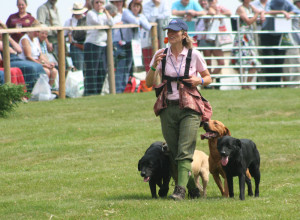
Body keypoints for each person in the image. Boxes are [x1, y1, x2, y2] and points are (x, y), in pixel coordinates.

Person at [145, 18, 212, 200]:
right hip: (167, 108)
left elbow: (208, 77)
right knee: (174, 152)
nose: (170, 34)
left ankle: (180, 190)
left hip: (190, 108)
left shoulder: (194, 54)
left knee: (184, 151)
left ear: (184, 34)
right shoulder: (160, 54)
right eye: (168, 31)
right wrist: (153, 66)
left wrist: (200, 80)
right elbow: (149, 83)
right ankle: (193, 189)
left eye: (175, 31)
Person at [261, 0, 300, 86]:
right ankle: (269, 84)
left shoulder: (286, 2)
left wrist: (289, 13)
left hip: (280, 35)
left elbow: (297, 10)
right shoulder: (270, 2)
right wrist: (282, 12)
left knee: (279, 60)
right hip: (268, 34)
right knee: (269, 60)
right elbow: (267, 12)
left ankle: (277, 84)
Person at [0, 21, 45, 92]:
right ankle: (29, 91)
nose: (1, 33)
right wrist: (12, 50)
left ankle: (40, 90)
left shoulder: (7, 39)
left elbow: (19, 50)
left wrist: (8, 37)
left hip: (17, 59)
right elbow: (10, 51)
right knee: (31, 68)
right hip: (9, 61)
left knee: (38, 66)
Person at [230, 0, 264, 89]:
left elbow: (260, 11)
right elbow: (248, 21)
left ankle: (247, 84)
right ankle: (243, 84)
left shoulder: (250, 7)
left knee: (254, 62)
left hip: (249, 37)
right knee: (241, 62)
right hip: (242, 37)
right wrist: (256, 14)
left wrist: (261, 13)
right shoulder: (241, 8)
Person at [84, 0, 113, 95]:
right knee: (92, 70)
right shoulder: (90, 13)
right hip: (92, 44)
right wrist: (102, 14)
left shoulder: (104, 14)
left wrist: (107, 13)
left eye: (101, 2)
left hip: (103, 44)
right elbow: (100, 24)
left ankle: (98, 91)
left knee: (103, 69)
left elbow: (111, 23)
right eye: (97, 2)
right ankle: (91, 92)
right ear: (93, 4)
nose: (99, 4)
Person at [198, 0, 231, 81]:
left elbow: (229, 12)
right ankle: (208, 83)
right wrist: (216, 13)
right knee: (208, 63)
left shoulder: (220, 7)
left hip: (217, 39)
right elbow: (210, 14)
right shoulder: (204, 8)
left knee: (221, 62)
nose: (211, 1)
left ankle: (209, 80)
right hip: (205, 38)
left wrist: (219, 14)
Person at [19, 20, 58, 87]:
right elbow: (28, 56)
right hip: (28, 62)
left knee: (54, 71)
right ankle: (42, 90)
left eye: (38, 32)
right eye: (37, 32)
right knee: (46, 71)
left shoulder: (36, 39)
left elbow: (40, 55)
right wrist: (43, 65)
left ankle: (48, 89)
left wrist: (48, 63)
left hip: (37, 61)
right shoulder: (25, 39)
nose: (38, 34)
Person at [122, 1, 151, 81]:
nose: (135, 8)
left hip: (135, 44)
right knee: (125, 66)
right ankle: (122, 87)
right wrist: (139, 19)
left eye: (138, 6)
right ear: (130, 6)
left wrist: (139, 19)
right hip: (125, 43)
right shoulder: (126, 12)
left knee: (132, 65)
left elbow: (148, 26)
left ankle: (130, 84)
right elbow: (136, 22)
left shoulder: (140, 15)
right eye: (134, 6)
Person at [142, 0, 171, 72]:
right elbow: (150, 19)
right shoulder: (145, 5)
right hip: (149, 39)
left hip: (163, 38)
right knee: (149, 62)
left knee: (164, 60)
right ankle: (152, 82)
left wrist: (156, 16)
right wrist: (156, 7)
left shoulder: (165, 3)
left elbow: (166, 16)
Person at [107, 0, 129, 93]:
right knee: (119, 68)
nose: (118, 3)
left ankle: (123, 89)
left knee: (126, 68)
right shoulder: (111, 15)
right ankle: (118, 90)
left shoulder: (126, 12)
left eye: (120, 1)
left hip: (127, 43)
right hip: (116, 43)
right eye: (116, 2)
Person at [64, 2, 88, 70]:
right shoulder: (69, 22)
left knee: (88, 68)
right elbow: (63, 35)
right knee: (79, 68)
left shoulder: (87, 20)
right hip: (76, 46)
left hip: (87, 46)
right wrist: (65, 49)